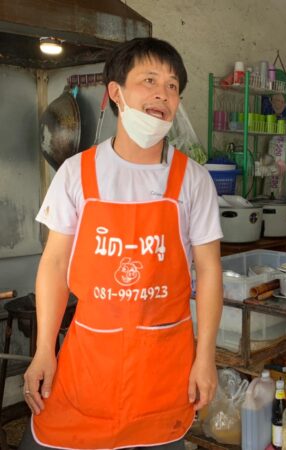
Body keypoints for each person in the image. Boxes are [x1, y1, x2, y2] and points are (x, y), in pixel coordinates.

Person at [20, 38, 223, 450]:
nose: (162, 94)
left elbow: (209, 271)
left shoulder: (193, 179)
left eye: (172, 86)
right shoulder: (77, 173)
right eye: (149, 80)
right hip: (90, 364)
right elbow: (55, 265)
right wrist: (44, 350)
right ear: (116, 92)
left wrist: (206, 358)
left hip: (164, 366)